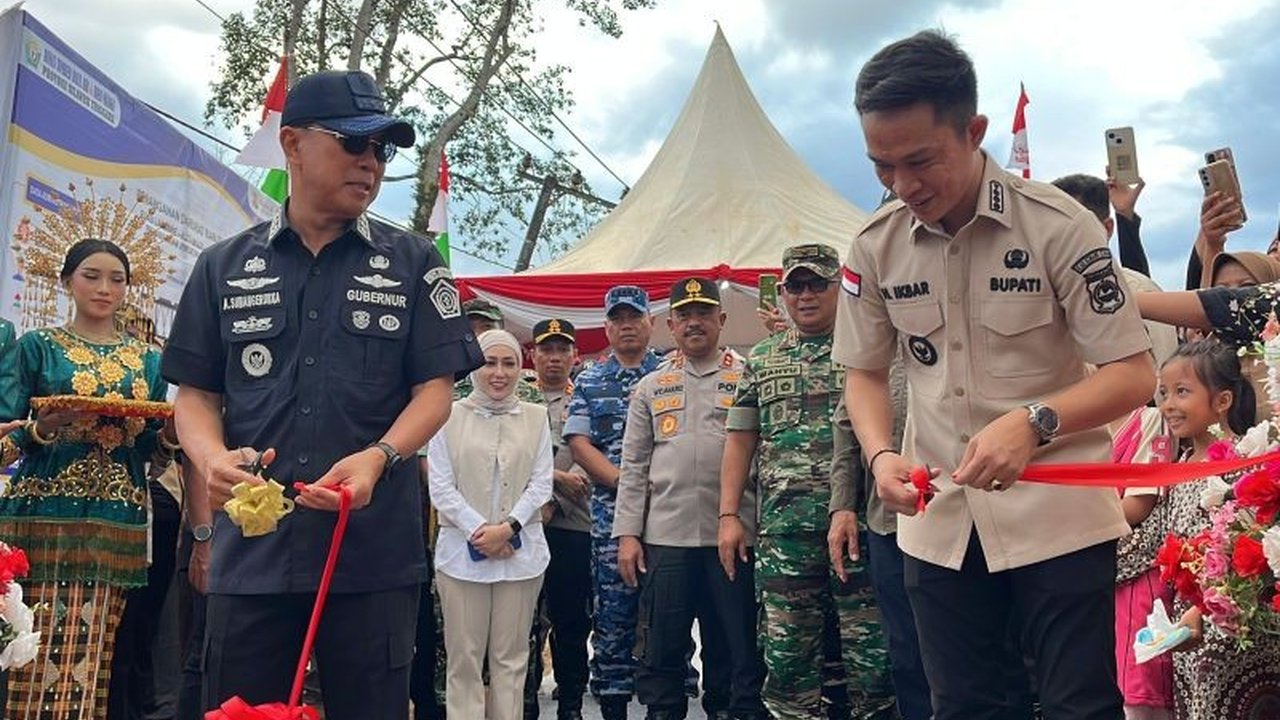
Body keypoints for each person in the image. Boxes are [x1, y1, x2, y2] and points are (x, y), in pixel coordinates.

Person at [836, 30, 1155, 720]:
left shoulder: (1058, 228)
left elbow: (1134, 374)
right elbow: (862, 373)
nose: (903, 185)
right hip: (938, 519)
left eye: (920, 160)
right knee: (962, 706)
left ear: (974, 130)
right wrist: (881, 453)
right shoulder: (874, 245)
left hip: (1060, 519)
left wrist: (1037, 421)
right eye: (882, 167)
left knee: (1079, 707)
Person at [161, 70, 482, 720]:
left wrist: (380, 456)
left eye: (382, 151)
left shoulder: (413, 262)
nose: (370, 164)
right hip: (253, 555)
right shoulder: (223, 266)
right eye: (352, 144)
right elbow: (194, 395)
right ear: (292, 143)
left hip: (370, 556)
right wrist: (211, 457)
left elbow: (436, 392)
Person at [0, 238, 176, 720]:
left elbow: (150, 460)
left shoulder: (150, 362)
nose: (104, 288)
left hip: (114, 522)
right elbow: (4, 448)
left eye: (116, 279)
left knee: (93, 658)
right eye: (91, 276)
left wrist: (172, 438)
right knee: (25, 648)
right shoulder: (37, 349)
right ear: (65, 282)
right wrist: (43, 429)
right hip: (38, 521)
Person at [720, 244, 894, 720]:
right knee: (787, 659)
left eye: (817, 283)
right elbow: (740, 440)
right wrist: (729, 515)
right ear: (782, 293)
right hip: (784, 536)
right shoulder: (762, 357)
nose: (806, 294)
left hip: (861, 526)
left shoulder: (868, 352)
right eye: (795, 286)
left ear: (839, 286)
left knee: (873, 659)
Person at [615, 278, 767, 720]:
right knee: (661, 647)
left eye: (704, 313)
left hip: (736, 535)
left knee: (737, 646)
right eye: (685, 315)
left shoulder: (748, 377)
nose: (694, 323)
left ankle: (730, 712)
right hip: (667, 538)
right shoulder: (650, 386)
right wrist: (627, 534)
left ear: (721, 320)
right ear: (670, 325)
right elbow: (634, 465)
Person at [426, 329, 553, 720]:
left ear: (520, 367)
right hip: (462, 556)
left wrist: (509, 528)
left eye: (509, 363)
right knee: (463, 658)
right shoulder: (447, 415)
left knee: (511, 659)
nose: (499, 373)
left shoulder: (536, 417)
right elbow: (440, 484)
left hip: (521, 553)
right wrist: (479, 530)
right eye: (489, 362)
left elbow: (542, 481)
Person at [1154, 340, 1280, 718]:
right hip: (1187, 637)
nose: (1169, 405)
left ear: (1222, 401)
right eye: (1163, 393)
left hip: (1237, 630)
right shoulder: (1175, 467)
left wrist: (1208, 605)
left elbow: (1255, 548)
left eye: (1182, 392)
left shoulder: (1245, 461)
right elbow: (1153, 545)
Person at [565, 285, 662, 720]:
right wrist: (626, 484)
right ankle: (614, 702)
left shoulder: (670, 373)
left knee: (666, 612)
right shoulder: (589, 378)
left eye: (634, 317)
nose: (626, 325)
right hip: (610, 516)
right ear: (607, 326)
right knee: (613, 615)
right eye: (618, 319)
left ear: (652, 323)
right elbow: (580, 444)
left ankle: (668, 700)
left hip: (665, 515)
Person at [530, 318, 593, 720]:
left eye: (561, 350)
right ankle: (525, 698)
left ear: (575, 355)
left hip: (572, 526)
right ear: (533, 355)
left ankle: (571, 699)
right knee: (525, 620)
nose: (554, 357)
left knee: (572, 618)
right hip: (525, 524)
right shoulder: (517, 397)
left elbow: (597, 452)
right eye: (546, 349)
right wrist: (551, 486)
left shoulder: (586, 397)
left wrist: (562, 492)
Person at [1052, 173, 1150, 277]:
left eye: (1070, 227)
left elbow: (1134, 287)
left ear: (1106, 228)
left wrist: (1125, 216)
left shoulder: (1130, 285)